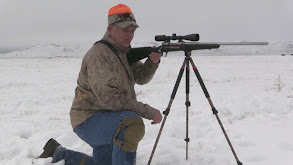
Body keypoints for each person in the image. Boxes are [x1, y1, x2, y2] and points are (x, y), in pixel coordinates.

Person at [38, 3, 162, 165]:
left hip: (109, 117)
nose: (130, 34)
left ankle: (59, 153)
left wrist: (152, 63)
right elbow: (111, 100)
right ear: (110, 29)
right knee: (131, 124)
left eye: (132, 30)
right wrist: (148, 111)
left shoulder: (122, 52)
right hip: (88, 119)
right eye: (125, 29)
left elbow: (141, 78)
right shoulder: (101, 54)